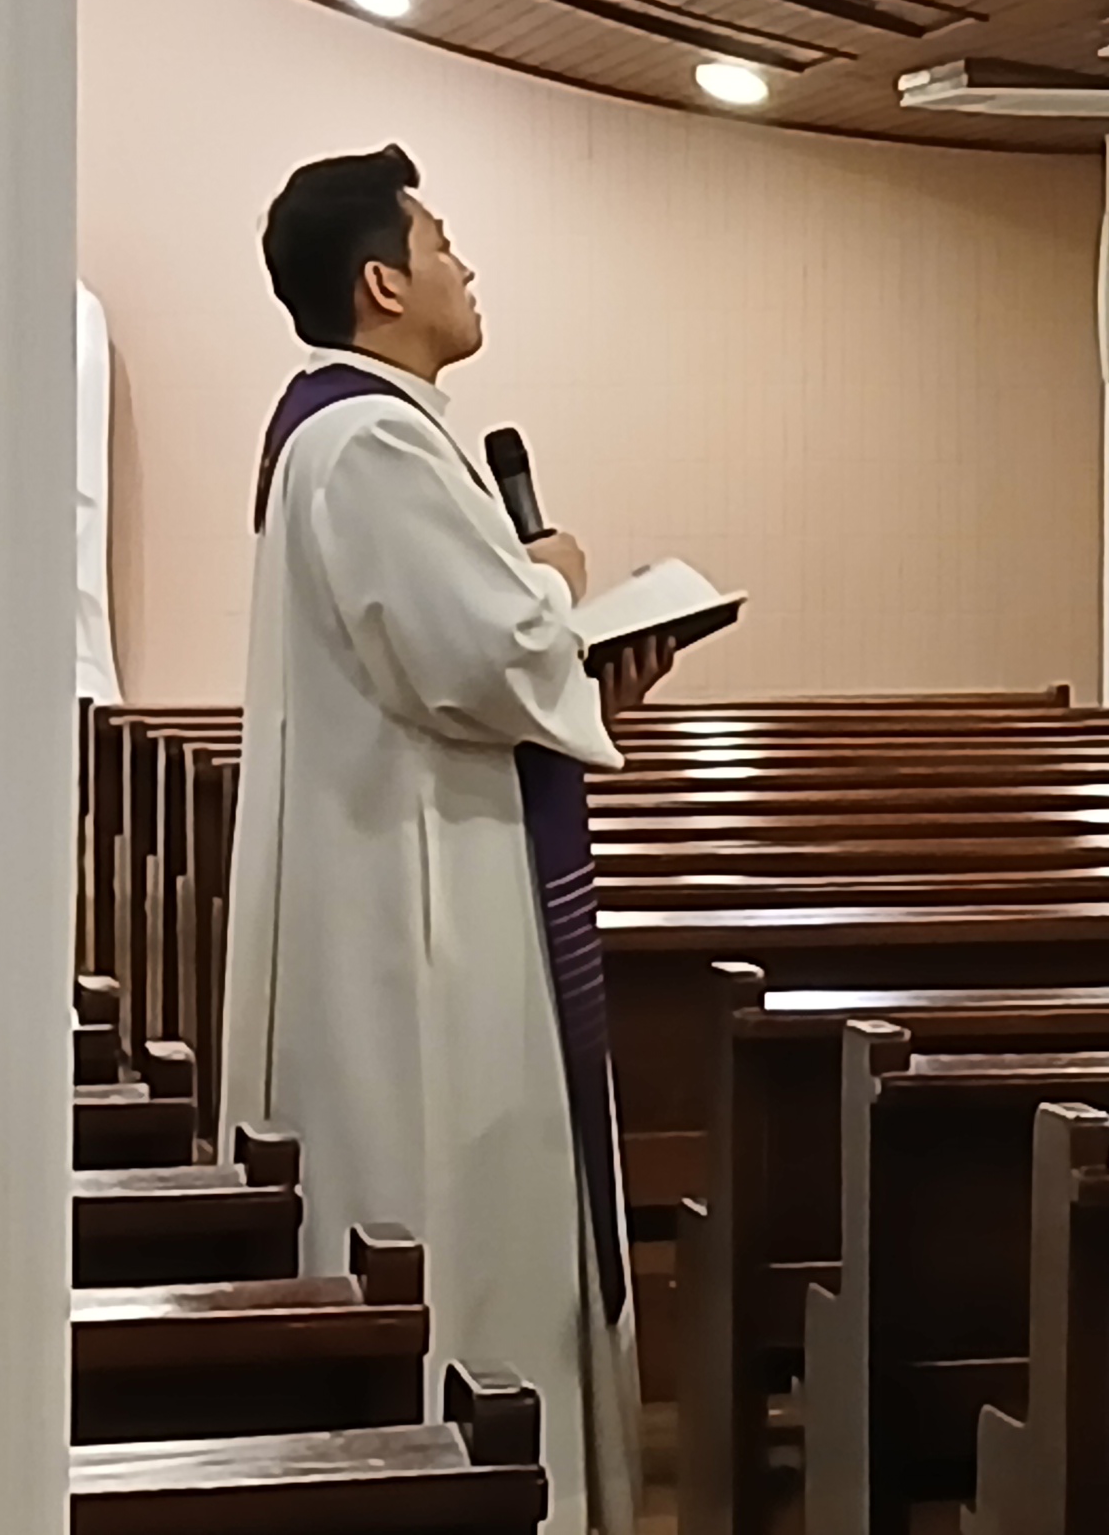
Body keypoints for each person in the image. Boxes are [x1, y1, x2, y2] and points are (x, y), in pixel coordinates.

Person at [218, 146, 677, 1535]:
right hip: (417, 912)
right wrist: (561, 586)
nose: (464, 266)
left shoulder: (371, 431)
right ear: (381, 281)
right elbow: (479, 653)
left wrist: (582, 673)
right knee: (453, 1208)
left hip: (436, 857)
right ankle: (468, 1490)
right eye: (440, 242)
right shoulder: (366, 440)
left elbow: (473, 666)